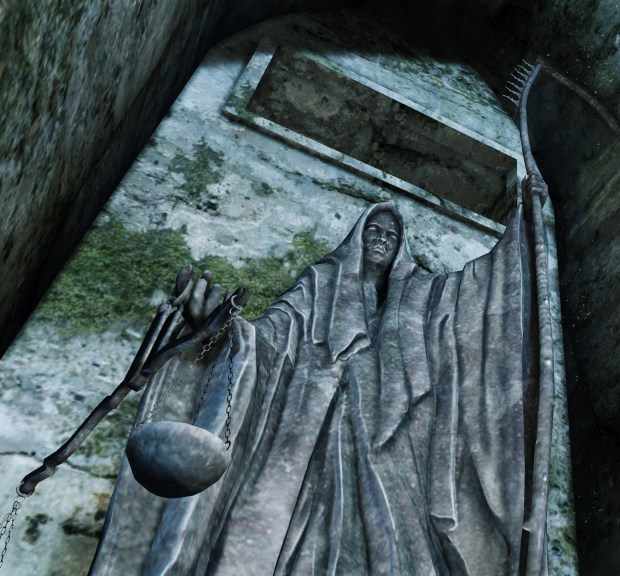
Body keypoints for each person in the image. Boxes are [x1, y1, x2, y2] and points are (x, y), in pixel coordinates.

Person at [90, 200, 543, 576]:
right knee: (285, 527)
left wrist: (525, 227)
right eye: (373, 231)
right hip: (309, 422)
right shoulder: (321, 281)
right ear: (357, 237)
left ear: (400, 246)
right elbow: (271, 334)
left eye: (390, 236)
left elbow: (475, 298)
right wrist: (224, 326)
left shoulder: (422, 294)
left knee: (390, 539)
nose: (381, 240)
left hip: (386, 438)